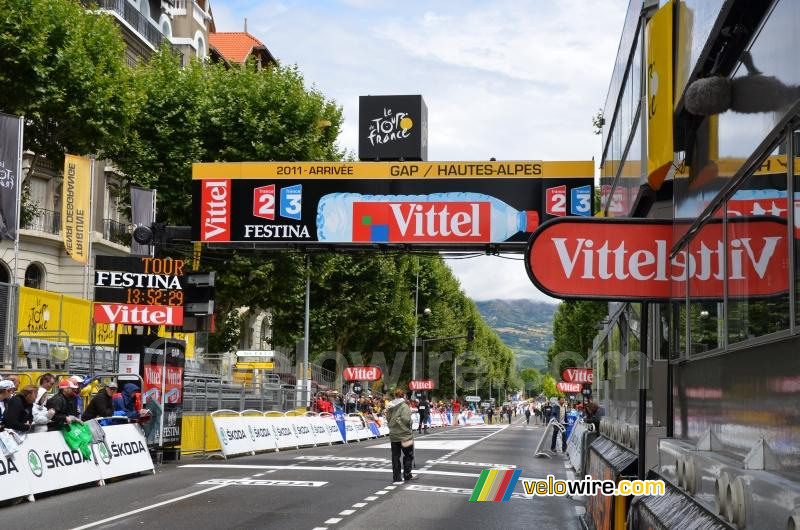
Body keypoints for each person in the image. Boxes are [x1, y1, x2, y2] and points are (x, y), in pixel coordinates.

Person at [385, 388, 417, 485]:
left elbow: (387, 418)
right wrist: (411, 422)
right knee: (408, 455)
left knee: (395, 456)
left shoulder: (389, 406)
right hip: (405, 435)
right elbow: (406, 420)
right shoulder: (404, 406)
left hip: (394, 435)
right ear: (403, 396)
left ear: (395, 395)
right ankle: (407, 474)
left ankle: (396, 477)